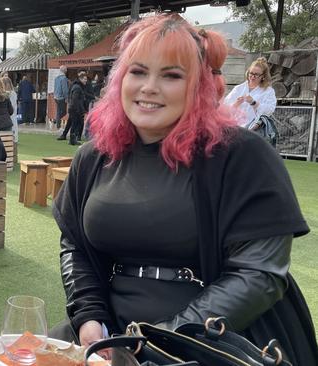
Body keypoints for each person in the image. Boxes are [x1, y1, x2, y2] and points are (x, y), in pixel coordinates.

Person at [50, 14, 317, 366]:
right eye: (138, 71)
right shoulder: (94, 157)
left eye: (172, 75)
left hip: (215, 342)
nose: (149, 87)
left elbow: (258, 275)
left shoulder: (243, 155)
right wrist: (88, 318)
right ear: (120, 80)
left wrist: (156, 342)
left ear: (199, 86)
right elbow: (75, 247)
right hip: (108, 337)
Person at [224, 57, 277, 128]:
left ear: (263, 76)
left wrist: (253, 102)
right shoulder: (239, 88)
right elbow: (225, 108)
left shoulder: (268, 91)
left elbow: (269, 110)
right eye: (251, 73)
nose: (252, 77)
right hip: (235, 128)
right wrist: (236, 103)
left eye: (256, 74)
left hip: (255, 130)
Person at [57, 71, 87, 145]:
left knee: (72, 123)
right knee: (76, 123)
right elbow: (75, 100)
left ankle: (68, 136)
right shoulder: (77, 87)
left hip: (73, 108)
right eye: (84, 79)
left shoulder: (76, 86)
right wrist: (79, 110)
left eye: (86, 79)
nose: (86, 81)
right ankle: (72, 139)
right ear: (80, 79)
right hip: (75, 109)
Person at [2, 76, 19, 143]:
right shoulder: (13, 93)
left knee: (12, 127)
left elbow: (12, 106)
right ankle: (14, 139)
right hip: (11, 114)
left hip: (10, 114)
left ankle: (13, 139)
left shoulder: (10, 94)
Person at [53, 65, 69, 130]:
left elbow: (55, 87)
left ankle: (57, 122)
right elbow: (64, 89)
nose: (67, 70)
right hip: (61, 97)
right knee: (64, 112)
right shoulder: (64, 78)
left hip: (56, 96)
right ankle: (57, 122)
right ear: (64, 70)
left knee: (58, 111)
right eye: (66, 69)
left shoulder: (56, 78)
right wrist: (66, 97)